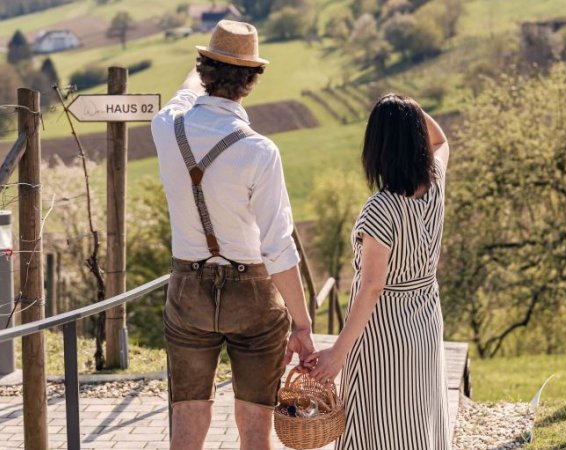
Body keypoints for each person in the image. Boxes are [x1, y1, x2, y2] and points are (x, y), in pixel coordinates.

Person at [150, 20, 316, 450]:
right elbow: (278, 247)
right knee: (255, 425)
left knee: (187, 413)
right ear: (251, 81)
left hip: (188, 289)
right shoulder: (259, 151)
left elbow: (186, 92)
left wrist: (203, 60)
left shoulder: (167, 127)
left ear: (204, 70)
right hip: (253, 295)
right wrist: (302, 324)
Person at [305, 94, 452, 449]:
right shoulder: (435, 184)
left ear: (378, 148)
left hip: (382, 332)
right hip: (425, 322)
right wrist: (413, 108)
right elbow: (442, 140)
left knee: (375, 426)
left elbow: (372, 287)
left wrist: (337, 353)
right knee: (417, 419)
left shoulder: (380, 209)